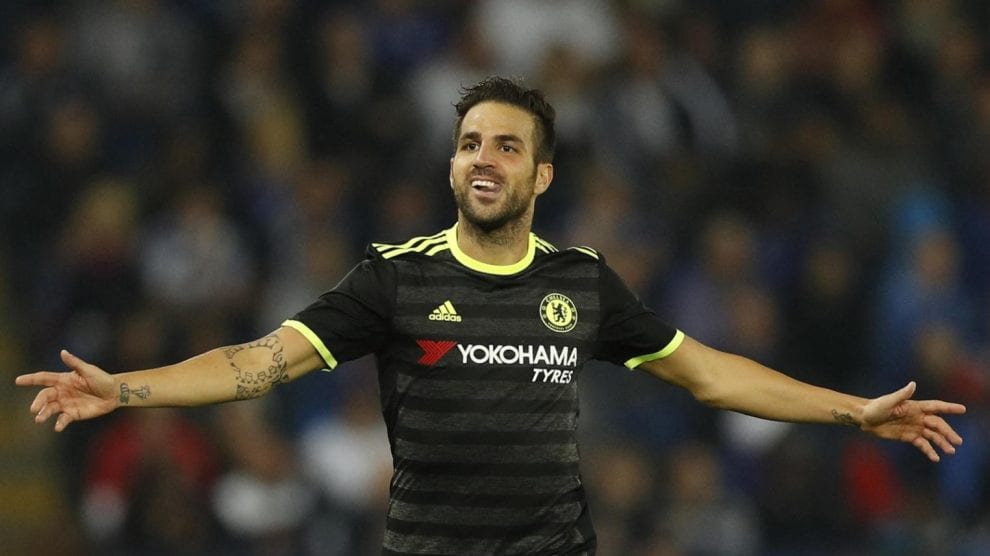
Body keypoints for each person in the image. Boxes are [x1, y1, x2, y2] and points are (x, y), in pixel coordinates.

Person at [16, 76, 967, 556]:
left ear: (541, 176)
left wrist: (856, 410)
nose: (483, 157)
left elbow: (711, 373)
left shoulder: (584, 282)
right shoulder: (393, 278)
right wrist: (127, 389)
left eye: (506, 146)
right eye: (470, 141)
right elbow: (257, 362)